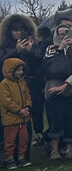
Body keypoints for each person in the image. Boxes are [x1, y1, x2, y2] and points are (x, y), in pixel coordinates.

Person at [0, 13, 44, 143]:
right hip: (9, 86)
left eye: (21, 30)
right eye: (15, 30)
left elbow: (38, 65)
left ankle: (27, 145)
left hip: (29, 85)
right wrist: (16, 52)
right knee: (12, 115)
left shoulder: (32, 44)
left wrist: (30, 52)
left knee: (29, 114)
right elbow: (2, 64)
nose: (18, 33)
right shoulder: (4, 46)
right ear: (10, 31)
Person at [43, 16, 72, 159]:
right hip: (55, 87)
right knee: (56, 118)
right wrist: (60, 50)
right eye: (60, 33)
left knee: (71, 118)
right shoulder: (51, 49)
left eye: (66, 32)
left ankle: (70, 148)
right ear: (56, 35)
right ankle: (54, 149)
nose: (64, 36)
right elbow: (51, 68)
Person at [0, 58, 33, 169]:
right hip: (11, 118)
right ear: (10, 71)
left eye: (22, 70)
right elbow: (6, 101)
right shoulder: (4, 84)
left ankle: (21, 157)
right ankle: (9, 159)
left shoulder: (22, 82)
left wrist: (27, 107)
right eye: (18, 70)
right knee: (10, 140)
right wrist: (19, 110)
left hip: (23, 118)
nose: (21, 72)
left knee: (23, 139)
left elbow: (27, 95)